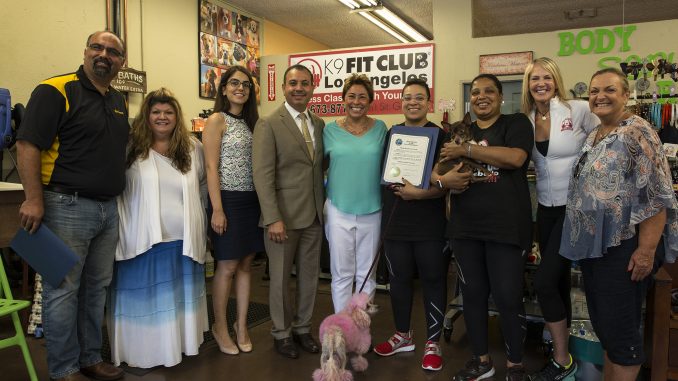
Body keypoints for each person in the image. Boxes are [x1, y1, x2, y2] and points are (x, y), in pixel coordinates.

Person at [16, 30, 128, 381]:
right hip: (65, 206)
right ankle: (64, 369)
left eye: (113, 51)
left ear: (121, 63)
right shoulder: (56, 90)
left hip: (108, 210)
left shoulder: (119, 100)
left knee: (96, 290)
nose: (104, 54)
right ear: (85, 52)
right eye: (98, 47)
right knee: (63, 290)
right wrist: (34, 199)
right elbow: (27, 145)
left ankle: (91, 358)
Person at [560, 68, 678, 381]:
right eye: (595, 91)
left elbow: (655, 195)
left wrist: (646, 250)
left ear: (626, 95)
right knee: (608, 329)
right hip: (596, 248)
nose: (600, 96)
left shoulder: (637, 132)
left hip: (624, 247)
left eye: (610, 90)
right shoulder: (595, 134)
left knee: (622, 335)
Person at [434, 74, 534, 381]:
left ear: (501, 97)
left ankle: (515, 366)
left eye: (489, 91)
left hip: (506, 229)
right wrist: (444, 180)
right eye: (475, 92)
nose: (481, 96)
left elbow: (515, 158)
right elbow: (437, 171)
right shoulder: (461, 131)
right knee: (472, 296)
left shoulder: (515, 123)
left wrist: (467, 151)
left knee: (507, 296)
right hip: (465, 229)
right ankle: (481, 361)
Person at [108, 88, 209, 368]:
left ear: (177, 117)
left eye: (168, 112)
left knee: (177, 301)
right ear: (146, 116)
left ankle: (177, 349)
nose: (162, 117)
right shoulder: (130, 147)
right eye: (156, 112)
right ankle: (143, 354)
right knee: (146, 301)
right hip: (143, 240)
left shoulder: (192, 148)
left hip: (183, 241)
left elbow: (202, 185)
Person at [519, 57, 599, 381]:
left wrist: (591, 168)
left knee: (544, 281)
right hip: (547, 210)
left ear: (556, 80)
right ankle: (563, 351)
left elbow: (607, 133)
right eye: (535, 78)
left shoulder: (576, 109)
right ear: (528, 84)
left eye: (547, 77)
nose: (541, 83)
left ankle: (563, 362)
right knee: (559, 282)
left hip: (574, 208)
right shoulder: (525, 120)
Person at [372, 78, 448, 371]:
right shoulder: (391, 135)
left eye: (418, 97)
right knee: (398, 281)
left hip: (430, 223)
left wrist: (422, 193)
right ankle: (403, 334)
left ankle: (433, 341)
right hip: (396, 222)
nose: (412, 102)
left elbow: (447, 183)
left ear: (428, 103)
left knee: (433, 280)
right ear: (401, 102)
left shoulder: (441, 137)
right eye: (407, 98)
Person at [252, 64, 325, 359]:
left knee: (310, 277)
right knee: (280, 280)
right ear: (283, 87)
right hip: (282, 218)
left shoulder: (318, 123)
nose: (299, 88)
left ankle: (302, 328)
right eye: (293, 83)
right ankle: (281, 333)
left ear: (312, 88)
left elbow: (318, 167)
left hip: (314, 216)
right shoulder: (269, 124)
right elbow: (262, 174)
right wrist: (273, 218)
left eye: (304, 83)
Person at [203, 66, 263, 355]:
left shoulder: (254, 123)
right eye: (234, 83)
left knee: (245, 265)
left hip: (252, 200)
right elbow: (211, 166)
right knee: (226, 266)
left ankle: (241, 325)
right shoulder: (217, 120)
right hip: (226, 200)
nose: (241, 88)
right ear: (224, 88)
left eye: (246, 85)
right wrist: (217, 209)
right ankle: (220, 326)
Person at [323, 73, 387, 312]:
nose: (356, 101)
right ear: (343, 99)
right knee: (341, 274)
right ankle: (341, 331)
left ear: (370, 100)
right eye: (351, 96)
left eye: (362, 97)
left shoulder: (381, 128)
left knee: (367, 275)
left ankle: (359, 331)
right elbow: (318, 166)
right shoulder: (329, 131)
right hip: (338, 209)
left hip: (373, 210)